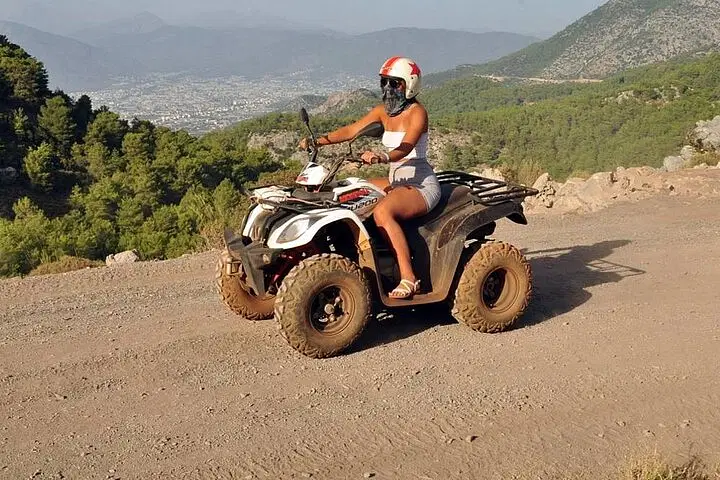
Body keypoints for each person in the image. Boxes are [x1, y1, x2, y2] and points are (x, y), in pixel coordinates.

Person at [298, 56, 441, 299]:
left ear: (409, 84)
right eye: (384, 82)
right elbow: (351, 130)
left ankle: (408, 277)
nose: (388, 88)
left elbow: (406, 146)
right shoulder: (382, 112)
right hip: (396, 181)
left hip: (419, 185)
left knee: (383, 212)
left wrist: (382, 157)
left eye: (394, 83)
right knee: (350, 190)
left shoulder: (418, 113)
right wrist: (317, 142)